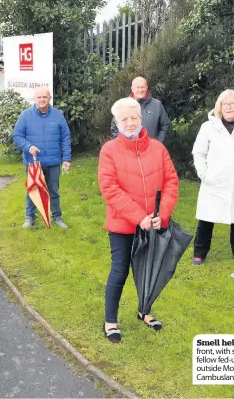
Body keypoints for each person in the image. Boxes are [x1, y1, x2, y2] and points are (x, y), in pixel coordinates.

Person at [98, 98, 179, 343]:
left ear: (141, 119)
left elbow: (171, 183)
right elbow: (110, 189)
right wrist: (138, 217)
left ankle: (145, 312)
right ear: (116, 121)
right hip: (123, 224)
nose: (130, 123)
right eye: (124, 119)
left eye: (134, 118)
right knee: (120, 270)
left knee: (148, 271)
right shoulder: (109, 150)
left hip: (152, 224)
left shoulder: (157, 148)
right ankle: (110, 322)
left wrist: (161, 215)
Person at [191, 89, 234, 267]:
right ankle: (199, 253)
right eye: (225, 103)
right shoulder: (208, 127)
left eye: (232, 103)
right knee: (206, 219)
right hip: (213, 182)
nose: (229, 106)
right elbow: (198, 152)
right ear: (219, 107)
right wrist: (204, 174)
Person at [13, 87, 71, 229]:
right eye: (39, 97)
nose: (42, 100)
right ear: (35, 99)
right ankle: (29, 217)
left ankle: (56, 217)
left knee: (54, 191)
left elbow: (65, 137)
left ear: (50, 98)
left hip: (53, 162)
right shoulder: (25, 116)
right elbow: (17, 136)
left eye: (45, 97)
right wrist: (28, 147)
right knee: (32, 190)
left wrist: (67, 158)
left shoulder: (58, 115)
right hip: (33, 162)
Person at [110, 76, 171, 142]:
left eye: (142, 87)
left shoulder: (157, 104)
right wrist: (122, 143)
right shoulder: (123, 105)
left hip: (151, 149)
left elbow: (165, 125)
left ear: (147, 87)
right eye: (137, 87)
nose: (140, 90)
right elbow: (114, 126)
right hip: (128, 149)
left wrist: (158, 143)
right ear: (132, 88)